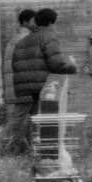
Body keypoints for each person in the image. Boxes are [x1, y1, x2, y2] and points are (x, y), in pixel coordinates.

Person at [8, 8, 79, 151]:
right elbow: (56, 63)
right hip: (40, 88)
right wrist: (72, 66)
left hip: (24, 88)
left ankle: (20, 151)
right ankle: (43, 152)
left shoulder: (22, 41)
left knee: (26, 122)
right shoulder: (49, 37)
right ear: (51, 23)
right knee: (43, 123)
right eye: (55, 23)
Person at [0, 9, 37, 153]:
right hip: (24, 89)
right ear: (25, 22)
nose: (36, 23)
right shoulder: (26, 40)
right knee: (16, 124)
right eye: (34, 21)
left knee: (28, 123)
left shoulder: (16, 39)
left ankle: (28, 153)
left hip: (18, 88)